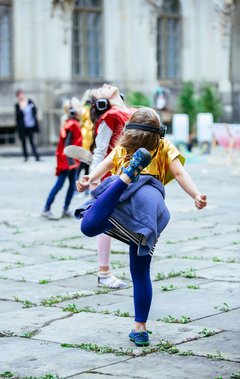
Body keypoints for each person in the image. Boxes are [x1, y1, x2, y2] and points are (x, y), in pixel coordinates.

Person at [74, 107, 207, 347]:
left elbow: (104, 165)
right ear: (159, 134)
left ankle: (127, 176)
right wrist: (196, 195)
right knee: (140, 271)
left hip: (123, 199)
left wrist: (89, 180)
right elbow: (179, 174)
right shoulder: (165, 147)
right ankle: (140, 328)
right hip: (146, 212)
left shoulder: (123, 147)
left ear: (129, 133)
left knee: (89, 224)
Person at [88, 84, 133, 289]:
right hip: (110, 178)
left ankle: (138, 271)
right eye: (100, 89)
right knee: (106, 224)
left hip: (132, 175)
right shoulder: (110, 116)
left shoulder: (133, 112)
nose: (105, 85)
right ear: (101, 102)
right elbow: (100, 152)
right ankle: (104, 272)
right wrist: (93, 181)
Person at [41, 103, 82, 219]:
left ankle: (65, 209)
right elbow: (66, 145)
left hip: (72, 160)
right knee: (59, 185)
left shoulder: (74, 123)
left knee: (72, 186)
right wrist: (71, 163)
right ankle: (46, 208)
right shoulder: (71, 125)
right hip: (68, 161)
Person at [15, 89, 40, 161]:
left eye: (22, 94)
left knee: (32, 141)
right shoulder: (17, 105)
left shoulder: (29, 102)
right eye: (19, 95)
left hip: (30, 125)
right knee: (23, 142)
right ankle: (25, 157)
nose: (21, 96)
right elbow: (17, 116)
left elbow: (35, 110)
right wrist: (21, 109)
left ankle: (36, 156)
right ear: (17, 96)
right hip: (22, 127)